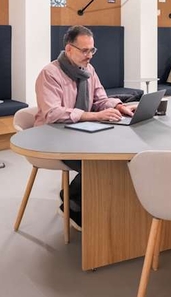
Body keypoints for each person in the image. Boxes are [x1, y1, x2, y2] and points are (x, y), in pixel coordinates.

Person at [35, 25, 136, 229]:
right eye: (84, 50)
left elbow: (100, 99)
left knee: (116, 156)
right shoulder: (50, 73)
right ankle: (73, 204)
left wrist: (118, 106)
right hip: (52, 137)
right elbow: (53, 113)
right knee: (101, 162)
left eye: (92, 50)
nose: (89, 55)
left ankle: (73, 195)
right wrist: (93, 115)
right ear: (69, 49)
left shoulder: (89, 70)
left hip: (82, 131)